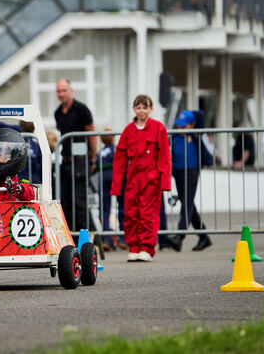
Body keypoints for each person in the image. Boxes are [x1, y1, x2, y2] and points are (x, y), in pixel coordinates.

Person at [110, 95, 171, 262]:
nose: (142, 111)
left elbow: (165, 156)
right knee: (131, 214)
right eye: (139, 108)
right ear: (134, 109)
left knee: (148, 214)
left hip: (151, 179)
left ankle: (146, 248)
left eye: (145, 107)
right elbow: (120, 159)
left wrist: (165, 182)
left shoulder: (159, 128)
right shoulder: (128, 130)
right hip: (133, 180)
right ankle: (134, 247)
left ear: (151, 109)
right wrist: (116, 185)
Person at [54, 78, 97, 232]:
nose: (61, 94)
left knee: (80, 201)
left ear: (70, 91)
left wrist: (93, 158)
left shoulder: (81, 109)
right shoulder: (58, 112)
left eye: (64, 90)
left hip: (81, 160)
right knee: (66, 201)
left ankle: (88, 239)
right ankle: (72, 237)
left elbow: (92, 134)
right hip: (65, 160)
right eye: (59, 91)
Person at [169, 110, 213, 252]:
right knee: (188, 204)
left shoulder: (196, 136)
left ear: (192, 125)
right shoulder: (174, 136)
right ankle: (204, 237)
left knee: (187, 203)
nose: (180, 128)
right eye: (179, 125)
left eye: (184, 125)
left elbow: (200, 117)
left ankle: (179, 236)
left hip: (192, 172)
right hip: (178, 172)